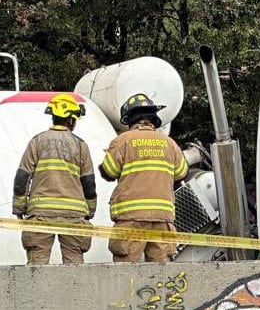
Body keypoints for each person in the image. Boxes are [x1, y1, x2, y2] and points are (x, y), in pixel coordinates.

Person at [99, 93, 187, 263]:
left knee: (126, 270)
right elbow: (181, 173)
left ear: (130, 119)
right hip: (162, 218)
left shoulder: (123, 141)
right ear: (153, 120)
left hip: (131, 218)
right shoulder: (169, 143)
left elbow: (109, 171)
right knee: (160, 272)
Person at [14, 93, 96, 264]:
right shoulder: (81, 145)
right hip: (73, 215)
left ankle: (36, 291)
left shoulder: (37, 141)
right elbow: (88, 182)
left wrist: (19, 208)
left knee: (37, 266)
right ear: (71, 120)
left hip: (41, 213)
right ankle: (73, 291)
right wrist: (90, 210)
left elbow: (22, 177)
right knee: (74, 266)